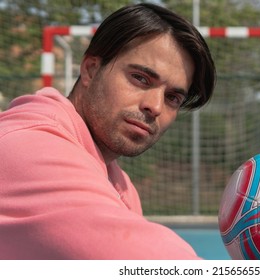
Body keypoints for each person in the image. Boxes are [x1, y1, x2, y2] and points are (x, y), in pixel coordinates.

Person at [0, 3, 216, 259]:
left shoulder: (120, 183)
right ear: (91, 70)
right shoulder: (26, 145)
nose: (155, 106)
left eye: (172, 98)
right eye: (140, 78)